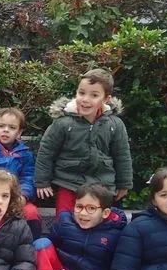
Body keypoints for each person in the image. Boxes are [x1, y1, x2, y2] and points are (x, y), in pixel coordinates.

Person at [35, 68, 132, 214]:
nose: (85, 99)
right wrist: (42, 182)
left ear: (106, 99)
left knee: (98, 219)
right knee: (65, 219)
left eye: (94, 95)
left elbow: (122, 155)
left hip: (102, 184)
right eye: (81, 93)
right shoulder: (64, 123)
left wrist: (123, 183)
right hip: (68, 183)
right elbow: (46, 152)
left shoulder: (114, 124)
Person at [0, 108, 42, 239]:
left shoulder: (25, 154)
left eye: (12, 127)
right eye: (1, 126)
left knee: (31, 212)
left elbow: (28, 178)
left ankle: (32, 246)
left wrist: (23, 196)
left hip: (16, 198)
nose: (6, 130)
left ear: (19, 133)